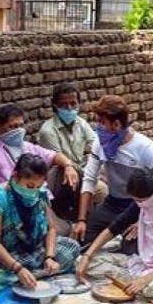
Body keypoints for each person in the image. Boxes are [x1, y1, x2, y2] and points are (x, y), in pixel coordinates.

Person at [0, 153, 80, 292]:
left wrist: (50, 257)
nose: (34, 191)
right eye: (29, 186)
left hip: (30, 250)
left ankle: (28, 275)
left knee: (72, 247)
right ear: (15, 176)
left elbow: (51, 229)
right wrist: (18, 268)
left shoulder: (41, 193)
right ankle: (32, 275)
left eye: (38, 186)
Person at [76, 167, 153, 303]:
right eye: (136, 200)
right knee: (84, 262)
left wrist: (146, 279)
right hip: (140, 264)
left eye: (141, 200)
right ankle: (135, 285)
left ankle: (139, 285)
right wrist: (87, 256)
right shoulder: (141, 204)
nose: (139, 204)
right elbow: (113, 229)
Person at [74, 95, 153, 247]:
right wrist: (81, 220)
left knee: (131, 249)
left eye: (102, 122)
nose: (98, 127)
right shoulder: (100, 143)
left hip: (140, 208)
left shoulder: (144, 147)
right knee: (81, 241)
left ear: (116, 124)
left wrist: (146, 219)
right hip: (113, 203)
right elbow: (90, 179)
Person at [0, 103, 79, 236]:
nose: (18, 130)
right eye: (12, 126)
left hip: (38, 195)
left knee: (71, 171)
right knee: (55, 233)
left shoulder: (26, 146)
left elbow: (54, 156)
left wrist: (69, 166)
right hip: (15, 203)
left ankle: (77, 219)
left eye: (20, 126)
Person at [37, 82, 107, 235]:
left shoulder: (81, 123)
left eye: (73, 103)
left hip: (79, 172)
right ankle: (80, 226)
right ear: (55, 106)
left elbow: (97, 145)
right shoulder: (48, 131)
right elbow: (58, 161)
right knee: (88, 184)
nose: (69, 108)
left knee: (102, 188)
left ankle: (92, 226)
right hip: (59, 179)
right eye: (64, 104)